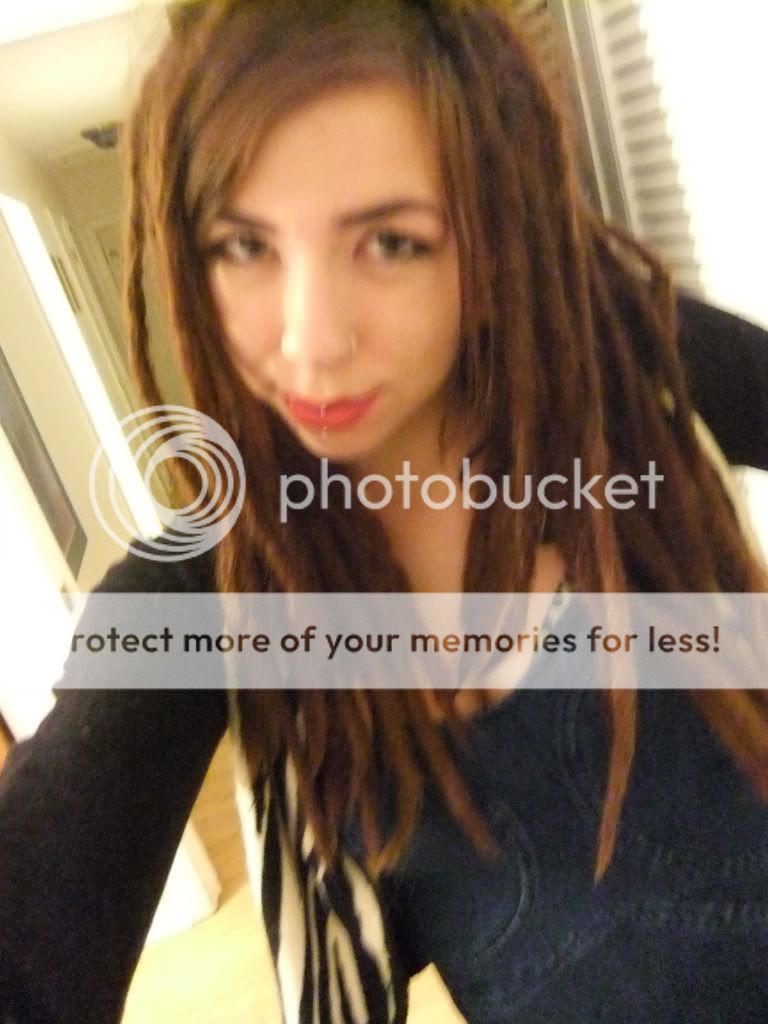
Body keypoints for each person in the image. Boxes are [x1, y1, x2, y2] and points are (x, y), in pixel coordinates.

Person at [1, 1, 768, 1021]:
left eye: (391, 241)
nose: (311, 340)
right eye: (245, 246)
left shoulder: (625, 367)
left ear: (487, 236)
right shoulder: (207, 599)